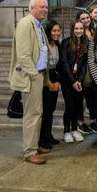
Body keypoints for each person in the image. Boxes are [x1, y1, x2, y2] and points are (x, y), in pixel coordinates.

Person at [9, 0, 50, 164]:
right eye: (42, 7)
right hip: (31, 76)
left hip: (39, 74)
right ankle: (30, 151)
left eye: (46, 7)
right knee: (32, 114)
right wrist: (34, 75)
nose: (45, 10)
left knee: (37, 112)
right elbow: (24, 55)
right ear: (32, 8)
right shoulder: (26, 23)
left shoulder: (38, 25)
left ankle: (34, 145)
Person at [60, 20, 88, 143]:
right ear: (72, 30)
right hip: (67, 81)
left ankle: (75, 129)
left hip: (78, 81)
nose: (79, 31)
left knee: (77, 106)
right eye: (76, 28)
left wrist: (80, 80)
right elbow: (64, 63)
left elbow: (84, 65)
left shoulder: (85, 43)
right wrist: (72, 81)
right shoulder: (66, 42)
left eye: (81, 28)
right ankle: (66, 131)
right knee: (69, 106)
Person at [38, 20, 61, 150]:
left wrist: (57, 81)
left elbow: (57, 66)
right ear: (48, 32)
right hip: (44, 78)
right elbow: (42, 65)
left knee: (51, 110)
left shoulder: (57, 45)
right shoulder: (44, 45)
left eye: (58, 31)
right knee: (45, 110)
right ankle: (42, 138)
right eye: (54, 31)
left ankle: (49, 135)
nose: (56, 33)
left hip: (54, 76)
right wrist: (48, 83)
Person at [75, 10, 95, 134]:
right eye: (83, 18)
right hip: (81, 69)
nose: (86, 20)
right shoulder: (78, 33)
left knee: (91, 97)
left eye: (88, 17)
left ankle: (93, 120)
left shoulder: (94, 31)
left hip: (93, 68)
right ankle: (80, 122)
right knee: (79, 97)